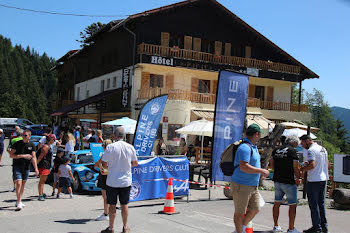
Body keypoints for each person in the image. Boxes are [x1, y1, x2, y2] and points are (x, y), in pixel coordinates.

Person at [231, 124, 269, 233]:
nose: (260, 136)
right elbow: (243, 166)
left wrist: (259, 173)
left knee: (255, 208)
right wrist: (260, 171)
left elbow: (252, 165)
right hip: (242, 184)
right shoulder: (244, 147)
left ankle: (240, 228)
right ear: (256, 134)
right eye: (259, 134)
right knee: (239, 212)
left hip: (252, 185)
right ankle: (239, 231)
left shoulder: (253, 147)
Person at [101, 127, 138, 233]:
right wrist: (126, 166)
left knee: (112, 205)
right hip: (125, 181)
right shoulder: (130, 147)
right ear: (124, 136)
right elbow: (135, 163)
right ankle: (125, 227)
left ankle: (111, 228)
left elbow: (104, 164)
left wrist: (111, 167)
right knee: (124, 205)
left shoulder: (111, 147)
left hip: (112, 180)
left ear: (114, 135)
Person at [269, 135, 301, 233]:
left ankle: (276, 226)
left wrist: (277, 171)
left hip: (278, 180)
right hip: (289, 181)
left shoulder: (276, 150)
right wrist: (298, 177)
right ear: (294, 142)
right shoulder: (293, 151)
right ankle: (291, 228)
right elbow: (296, 166)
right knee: (292, 205)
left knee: (277, 203)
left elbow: (271, 163)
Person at [300, 135, 329, 233]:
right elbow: (326, 164)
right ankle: (324, 226)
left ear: (308, 141)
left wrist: (303, 169)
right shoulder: (322, 149)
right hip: (323, 178)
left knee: (313, 204)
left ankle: (316, 227)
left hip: (314, 180)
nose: (301, 145)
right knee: (321, 203)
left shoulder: (311, 150)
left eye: (302, 143)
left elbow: (312, 165)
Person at [9, 129, 39, 211]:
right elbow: (11, 155)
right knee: (18, 183)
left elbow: (34, 157)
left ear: (29, 136)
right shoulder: (17, 144)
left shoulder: (31, 145)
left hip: (26, 167)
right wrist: (23, 156)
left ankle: (19, 200)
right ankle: (18, 202)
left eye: (25, 135)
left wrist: (36, 168)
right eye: (23, 135)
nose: (24, 137)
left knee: (23, 184)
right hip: (17, 165)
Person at [94, 139, 113, 221]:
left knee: (105, 197)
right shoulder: (114, 154)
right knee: (111, 196)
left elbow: (97, 164)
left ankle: (106, 213)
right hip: (112, 175)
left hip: (105, 175)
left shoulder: (105, 154)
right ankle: (108, 212)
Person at [36, 134, 56, 201]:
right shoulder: (46, 147)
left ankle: (41, 193)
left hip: (46, 165)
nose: (54, 141)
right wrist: (36, 164)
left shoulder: (48, 146)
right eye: (54, 139)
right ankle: (40, 195)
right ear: (50, 139)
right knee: (42, 181)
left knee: (43, 181)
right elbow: (41, 156)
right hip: (43, 165)